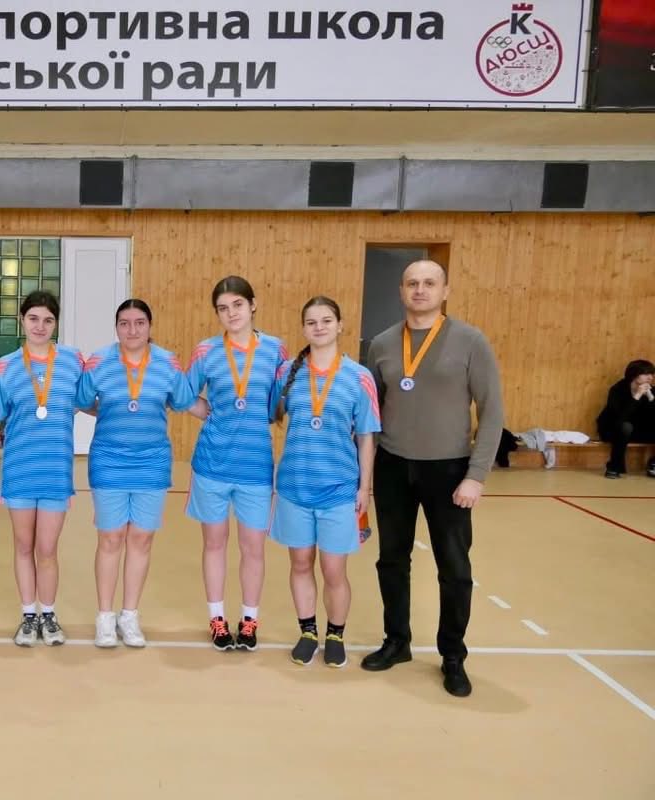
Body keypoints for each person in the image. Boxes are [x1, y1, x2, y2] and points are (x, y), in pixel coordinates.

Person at [361, 259, 503, 698]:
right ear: (401, 291)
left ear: (445, 291)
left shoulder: (470, 341)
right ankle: (397, 641)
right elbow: (370, 413)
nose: (419, 290)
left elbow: (492, 412)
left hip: (449, 470)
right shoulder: (382, 344)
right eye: (412, 283)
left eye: (429, 283)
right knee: (391, 560)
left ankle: (453, 655)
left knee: (454, 568)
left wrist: (476, 475)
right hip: (393, 465)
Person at [77, 299, 196, 648]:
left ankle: (129, 616)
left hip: (152, 462)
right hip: (109, 461)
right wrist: (107, 410)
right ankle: (104, 616)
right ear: (116, 328)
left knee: (141, 539)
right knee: (110, 538)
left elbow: (181, 400)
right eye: (125, 323)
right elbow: (81, 399)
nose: (132, 330)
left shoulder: (167, 363)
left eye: (139, 322)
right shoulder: (100, 361)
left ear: (149, 326)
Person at [271, 296, 379, 669]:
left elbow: (366, 437)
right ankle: (307, 632)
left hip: (338, 489)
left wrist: (364, 488)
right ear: (303, 328)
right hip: (294, 487)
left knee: (334, 569)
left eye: (327, 320)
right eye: (312, 322)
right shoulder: (288, 373)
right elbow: (267, 412)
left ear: (340, 325)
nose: (319, 327)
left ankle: (335, 634)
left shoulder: (359, 377)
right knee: (301, 562)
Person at [185, 275, 288, 652]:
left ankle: (249, 619)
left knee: (253, 547)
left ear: (253, 305)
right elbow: (183, 394)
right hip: (212, 463)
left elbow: (279, 401)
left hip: (255, 466)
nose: (231, 314)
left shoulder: (275, 350)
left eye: (238, 305)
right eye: (223, 308)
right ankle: (216, 618)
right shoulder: (206, 351)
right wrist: (208, 413)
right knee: (215, 543)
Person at [0, 290, 84, 647]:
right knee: (23, 545)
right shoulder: (6, 366)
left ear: (55, 323)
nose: (40, 326)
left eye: (47, 320)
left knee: (47, 549)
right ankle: (29, 615)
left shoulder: (72, 361)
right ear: (22, 321)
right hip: (19, 469)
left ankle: (49, 614)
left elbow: (87, 401)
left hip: (56, 470)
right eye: (33, 319)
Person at [596, 359, 655, 479]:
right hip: (613, 429)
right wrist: (637, 396)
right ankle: (613, 467)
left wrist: (651, 398)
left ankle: (653, 464)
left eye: (651, 374)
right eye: (645, 374)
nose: (650, 377)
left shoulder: (651, 390)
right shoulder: (617, 390)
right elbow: (620, 418)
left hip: (637, 430)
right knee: (625, 426)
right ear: (633, 374)